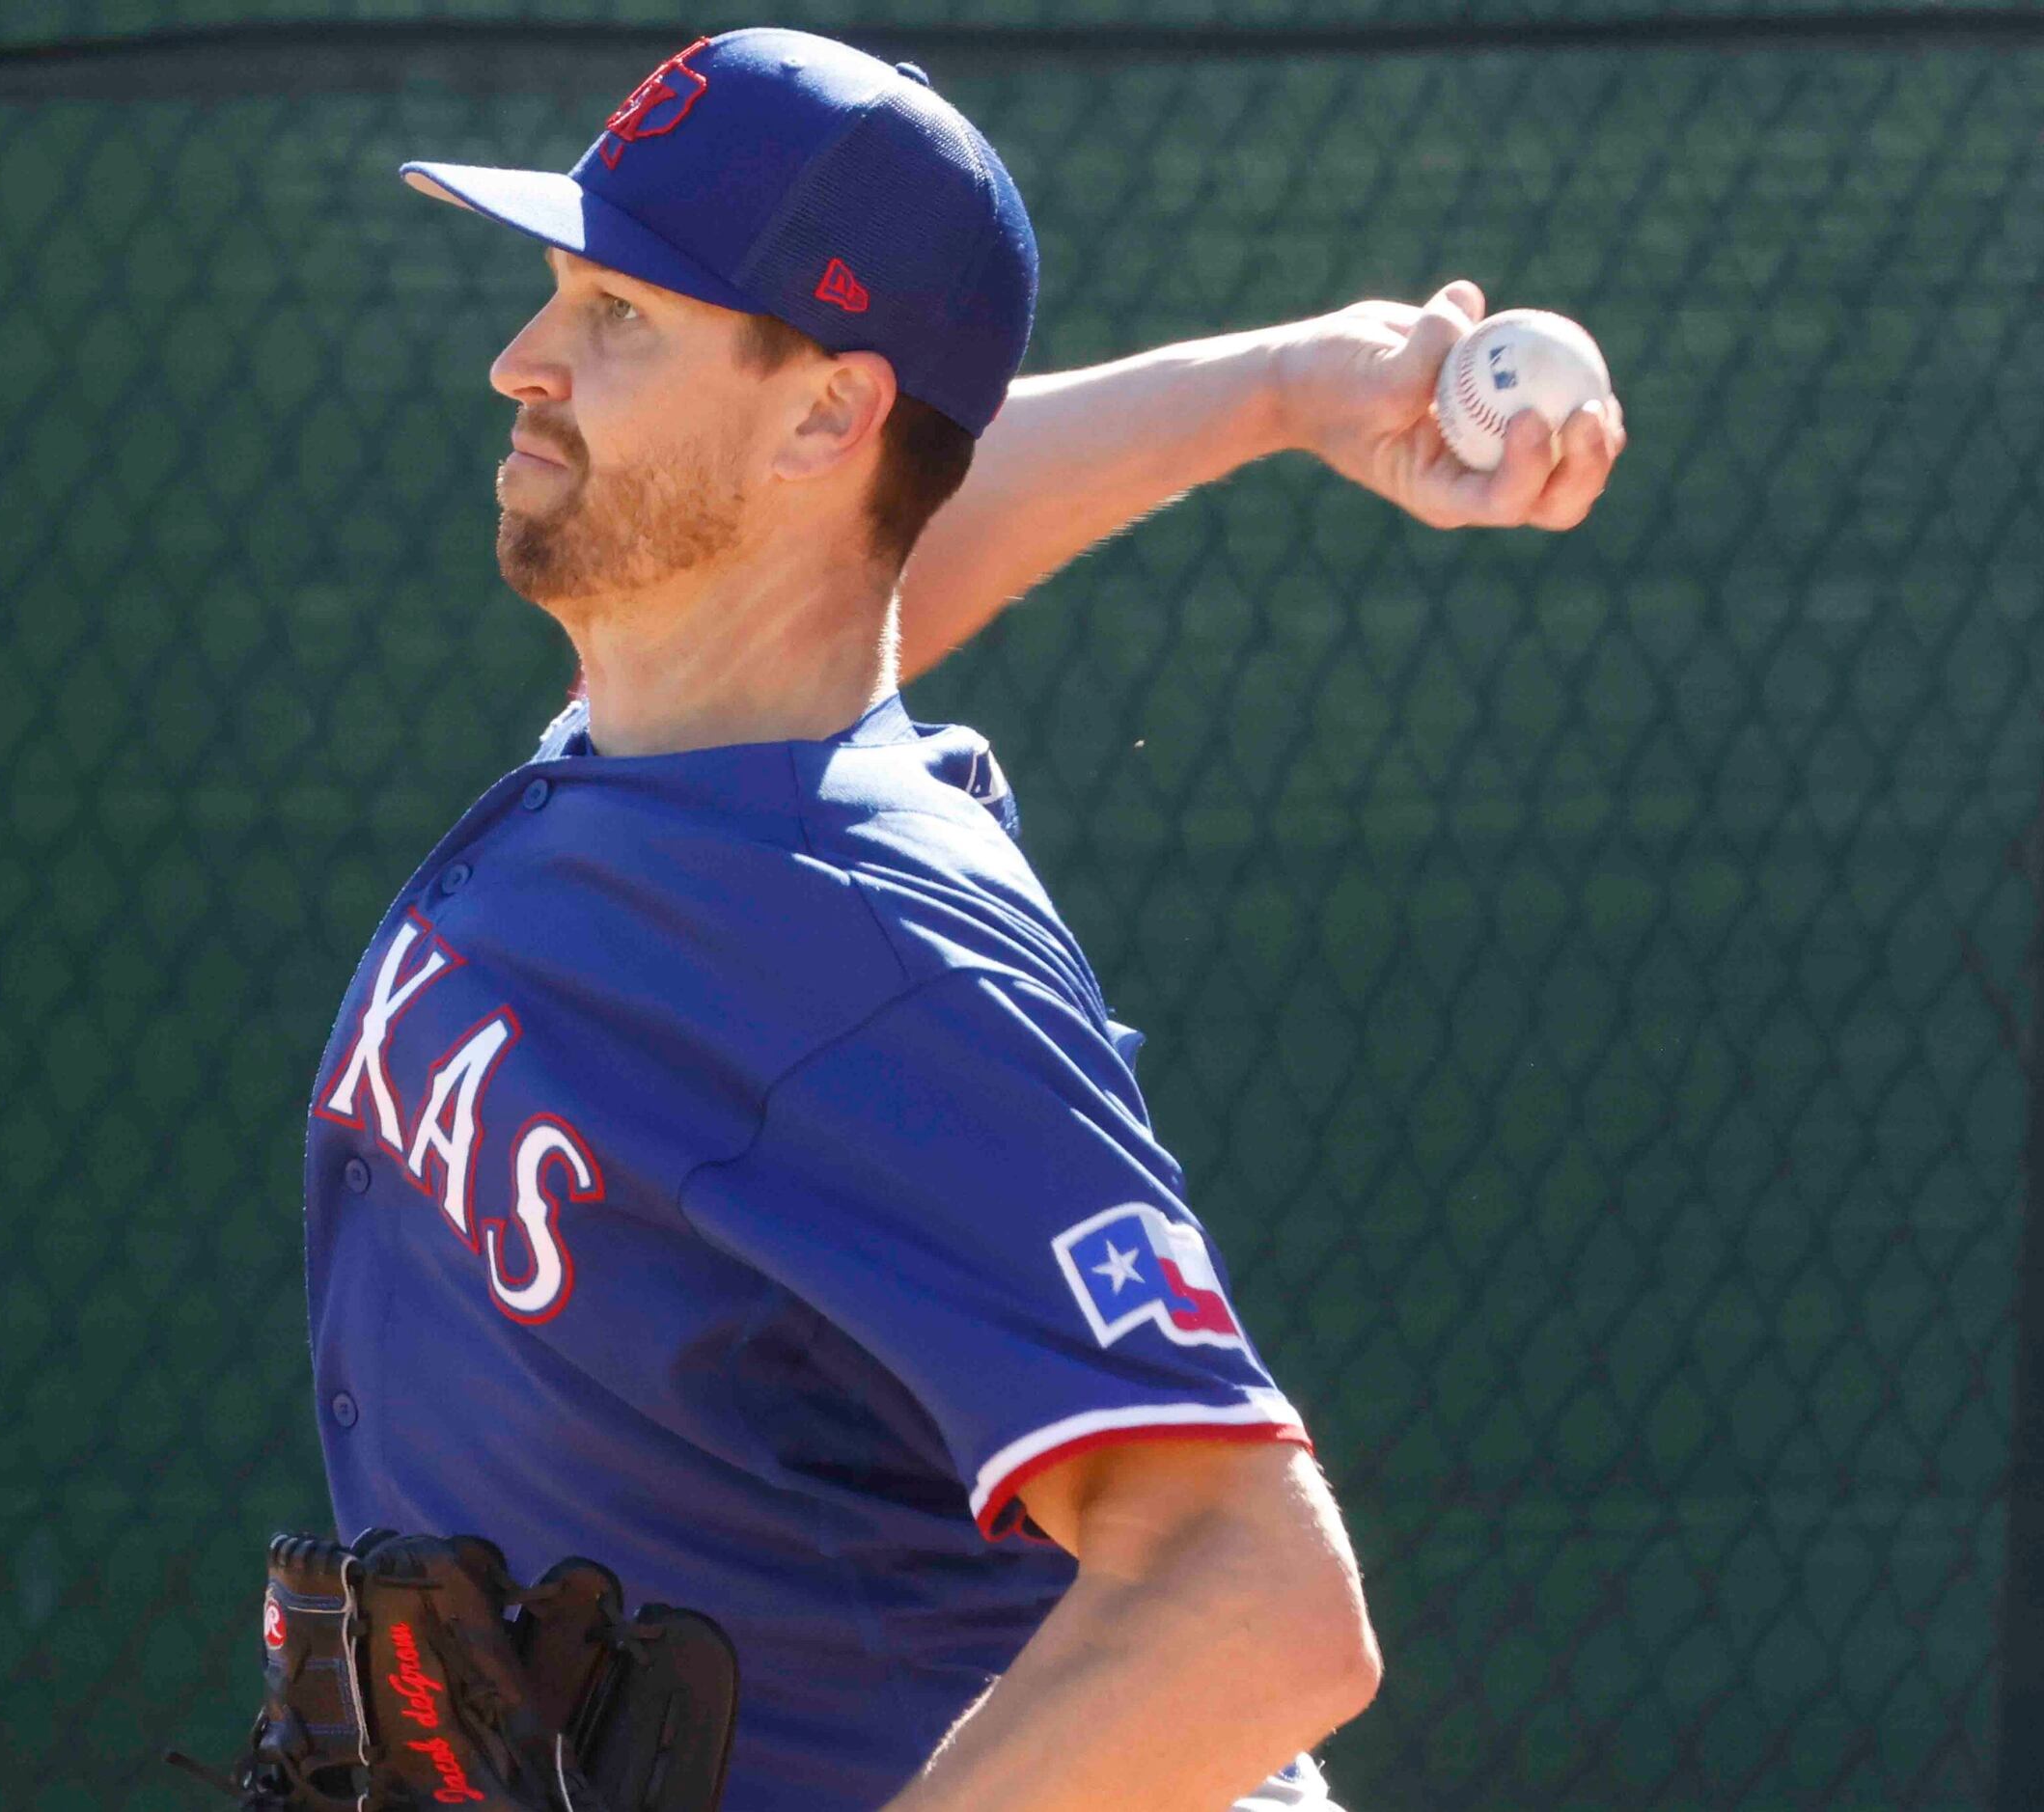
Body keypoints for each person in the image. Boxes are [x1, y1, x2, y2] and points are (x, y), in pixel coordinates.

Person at [299, 27, 1622, 1812]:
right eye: (558, 287)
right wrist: (1290, 386)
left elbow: (1257, 1603)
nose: (523, 359)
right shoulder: (693, 714)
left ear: (826, 411)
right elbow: (886, 530)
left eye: (620, 314)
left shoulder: (867, 958)